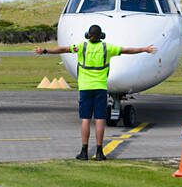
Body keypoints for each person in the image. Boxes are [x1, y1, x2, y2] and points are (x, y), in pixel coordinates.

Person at [34, 24, 156, 160]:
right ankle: (99, 152)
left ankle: (84, 151)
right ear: (101, 36)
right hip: (100, 88)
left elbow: (63, 49)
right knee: (100, 119)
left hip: (85, 88)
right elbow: (127, 50)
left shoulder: (81, 47)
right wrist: (144, 49)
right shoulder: (107, 48)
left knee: (85, 119)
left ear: (87, 35)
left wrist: (44, 50)